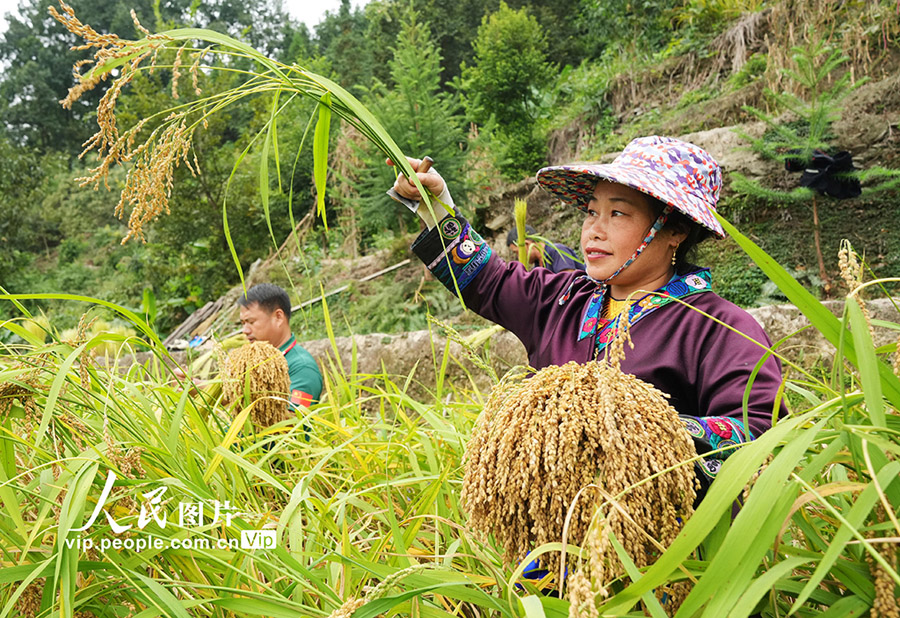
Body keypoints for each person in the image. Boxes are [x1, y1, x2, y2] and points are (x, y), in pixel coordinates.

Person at [387, 136, 787, 492]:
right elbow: (486, 279)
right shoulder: (564, 299)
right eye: (592, 212)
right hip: (554, 542)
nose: (594, 230)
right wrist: (435, 206)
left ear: (675, 230)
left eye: (618, 214)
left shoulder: (720, 328)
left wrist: (634, 423)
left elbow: (760, 435)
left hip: (665, 540)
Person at [238, 283, 323, 409]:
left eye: (251, 322)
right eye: (243, 323)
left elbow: (291, 419)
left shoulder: (302, 368)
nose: (245, 330)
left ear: (278, 317)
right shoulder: (253, 361)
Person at [506, 224, 585, 273]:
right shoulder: (537, 267)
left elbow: (568, 284)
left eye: (517, 252)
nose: (518, 257)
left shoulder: (557, 252)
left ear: (527, 244)